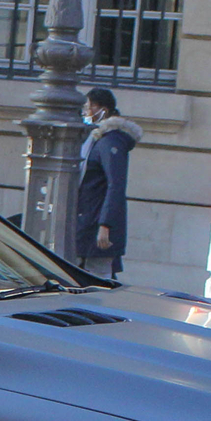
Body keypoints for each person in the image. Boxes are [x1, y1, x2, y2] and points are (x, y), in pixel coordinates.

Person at [74, 88, 139, 279]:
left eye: (92, 106)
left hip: (96, 223)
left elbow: (116, 184)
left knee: (98, 279)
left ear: (104, 109)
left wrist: (105, 225)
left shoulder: (111, 141)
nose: (88, 110)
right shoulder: (97, 138)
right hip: (89, 219)